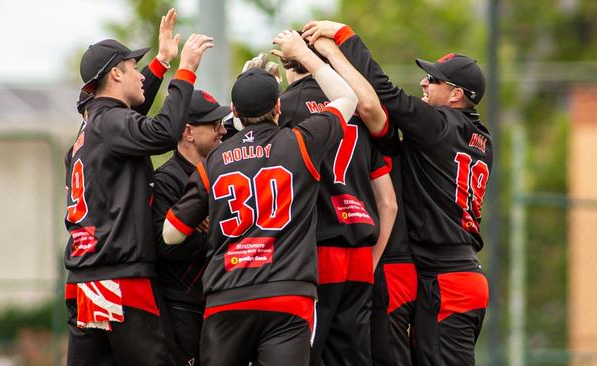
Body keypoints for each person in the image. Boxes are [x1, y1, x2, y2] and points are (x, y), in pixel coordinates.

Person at [162, 30, 358, 366]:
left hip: (226, 298)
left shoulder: (215, 160)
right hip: (287, 296)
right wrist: (308, 56)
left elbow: (171, 233)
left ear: (234, 112)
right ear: (279, 106)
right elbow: (348, 98)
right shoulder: (300, 142)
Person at [303, 21, 492, 365]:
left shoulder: (440, 126)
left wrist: (342, 40)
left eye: (434, 80)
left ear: (456, 95)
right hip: (464, 275)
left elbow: (384, 94)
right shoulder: (481, 138)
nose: (424, 81)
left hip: (446, 278)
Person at [63, 8, 214, 365]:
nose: (140, 77)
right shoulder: (110, 122)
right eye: (133, 69)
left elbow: (131, 119)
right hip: (119, 278)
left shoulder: (88, 132)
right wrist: (186, 70)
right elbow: (161, 132)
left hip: (85, 278)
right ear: (115, 73)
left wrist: (161, 62)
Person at [266, 36, 397, 366]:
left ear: (286, 62)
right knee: (351, 356)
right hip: (360, 253)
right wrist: (372, 258)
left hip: (315, 251)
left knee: (304, 354)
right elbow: (389, 203)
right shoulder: (358, 113)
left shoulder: (287, 105)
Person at [152, 89, 230, 366]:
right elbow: (163, 245)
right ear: (188, 132)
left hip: (219, 301)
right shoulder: (167, 179)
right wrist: (216, 235)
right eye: (213, 125)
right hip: (182, 305)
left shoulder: (224, 167)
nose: (221, 131)